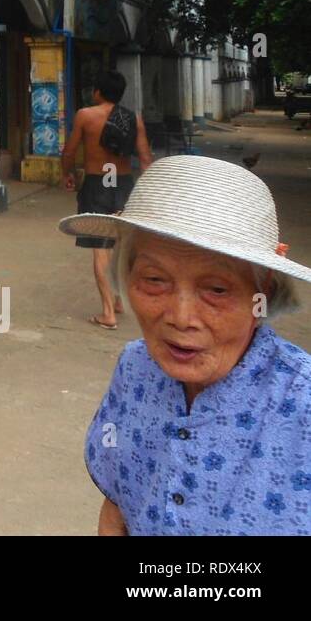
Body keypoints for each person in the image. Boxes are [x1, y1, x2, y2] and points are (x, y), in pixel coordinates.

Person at [60, 155, 311, 536]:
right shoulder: (134, 369)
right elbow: (117, 509)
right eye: (155, 280)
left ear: (264, 293)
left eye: (216, 289)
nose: (180, 316)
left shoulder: (303, 402)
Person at [60, 70, 153, 330]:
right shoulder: (133, 118)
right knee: (122, 246)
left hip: (96, 184)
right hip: (123, 185)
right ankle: (120, 300)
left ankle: (108, 312)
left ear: (97, 92)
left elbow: (69, 150)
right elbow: (145, 158)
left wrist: (66, 173)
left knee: (100, 248)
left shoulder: (85, 115)